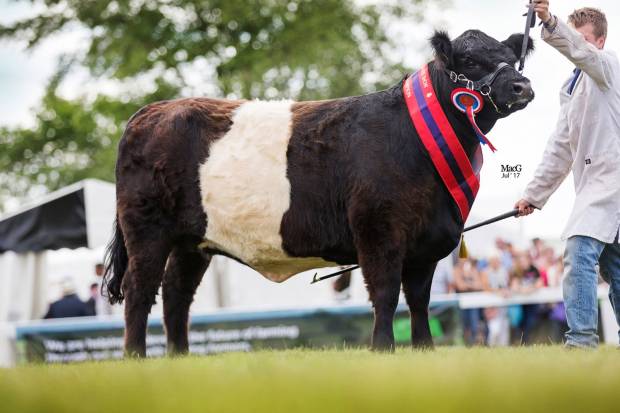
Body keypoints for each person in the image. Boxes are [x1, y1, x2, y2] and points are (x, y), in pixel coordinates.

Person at [515, 2, 620, 348]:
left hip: (610, 186)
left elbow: (579, 52)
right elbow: (560, 149)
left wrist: (547, 20)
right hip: (595, 189)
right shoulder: (570, 90)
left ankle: (581, 344)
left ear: (599, 42)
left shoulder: (608, 67)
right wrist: (533, 195)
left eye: (584, 40)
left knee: (578, 251)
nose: (577, 47)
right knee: (615, 272)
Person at [510, 253, 544, 344]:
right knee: (521, 321)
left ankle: (525, 341)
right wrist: (523, 290)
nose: (523, 263)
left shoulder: (534, 269)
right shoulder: (516, 271)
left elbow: (540, 283)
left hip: (532, 301)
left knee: (530, 321)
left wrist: (530, 289)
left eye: (524, 261)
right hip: (520, 303)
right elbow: (514, 286)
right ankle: (522, 341)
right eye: (521, 261)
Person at [481, 255, 511, 346]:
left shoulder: (504, 271)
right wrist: (498, 292)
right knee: (494, 329)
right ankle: (491, 347)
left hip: (503, 304)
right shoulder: (485, 272)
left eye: (497, 260)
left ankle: (504, 348)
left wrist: (505, 292)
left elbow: (507, 285)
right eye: (493, 260)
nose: (495, 262)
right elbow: (486, 287)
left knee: (504, 327)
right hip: (491, 305)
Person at [454, 258, 484, 346]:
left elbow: (479, 285)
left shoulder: (473, 270)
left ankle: (475, 344)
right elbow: (460, 286)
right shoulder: (456, 270)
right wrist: (471, 283)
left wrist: (468, 280)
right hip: (461, 304)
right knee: (464, 326)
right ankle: (467, 344)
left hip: (473, 303)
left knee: (474, 325)